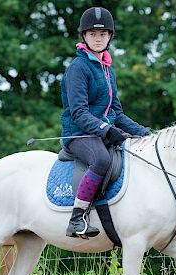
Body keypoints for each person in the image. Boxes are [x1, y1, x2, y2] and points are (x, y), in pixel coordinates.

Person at [60, 6, 151, 238]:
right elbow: (79, 113)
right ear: (84, 36)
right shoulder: (78, 69)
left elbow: (116, 112)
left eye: (102, 34)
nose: (98, 38)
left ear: (109, 37)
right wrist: (105, 130)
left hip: (101, 132)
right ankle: (77, 217)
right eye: (92, 34)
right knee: (100, 159)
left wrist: (144, 133)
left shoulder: (108, 71)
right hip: (78, 134)